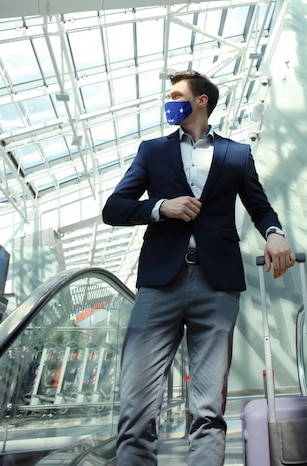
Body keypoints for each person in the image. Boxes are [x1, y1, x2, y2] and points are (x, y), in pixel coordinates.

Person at [102, 70, 295, 466]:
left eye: (176, 94)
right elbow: (114, 209)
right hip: (159, 285)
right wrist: (160, 207)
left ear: (201, 100)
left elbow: (260, 207)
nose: (169, 100)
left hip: (218, 286)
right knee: (136, 409)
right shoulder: (152, 150)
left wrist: (274, 233)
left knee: (208, 412)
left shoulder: (236, 154)